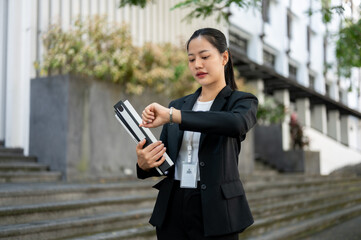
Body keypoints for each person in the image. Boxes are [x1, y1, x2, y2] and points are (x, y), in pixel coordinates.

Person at [135, 28, 258, 240]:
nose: (197, 65)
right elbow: (166, 161)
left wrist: (174, 116)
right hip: (174, 206)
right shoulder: (178, 105)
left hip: (217, 210)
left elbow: (235, 124)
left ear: (224, 57)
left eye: (204, 56)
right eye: (191, 59)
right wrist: (144, 164)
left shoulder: (241, 102)